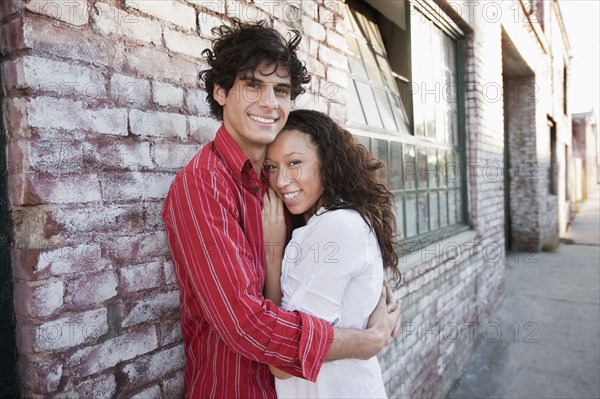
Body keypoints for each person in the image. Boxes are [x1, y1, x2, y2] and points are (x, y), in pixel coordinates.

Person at [161, 19, 401, 398]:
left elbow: (332, 267)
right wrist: (365, 341)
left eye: (281, 90)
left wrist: (375, 295)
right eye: (253, 85)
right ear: (220, 91)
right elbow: (245, 325)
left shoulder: (281, 186)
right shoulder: (203, 186)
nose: (269, 103)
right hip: (235, 388)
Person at [262, 109, 401, 398]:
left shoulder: (335, 225)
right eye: (272, 167)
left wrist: (271, 256)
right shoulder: (342, 219)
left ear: (328, 162)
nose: (281, 180)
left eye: (295, 163)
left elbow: (283, 363)